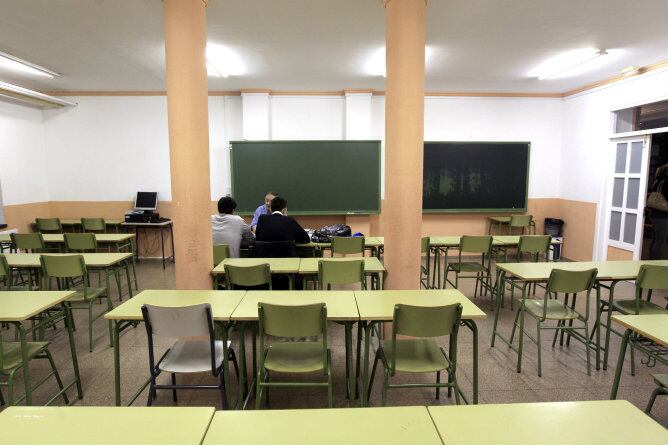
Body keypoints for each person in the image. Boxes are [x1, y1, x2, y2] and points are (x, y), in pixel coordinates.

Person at [649, 164, 668, 259]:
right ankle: (655, 262)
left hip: (654, 215)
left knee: (654, 240)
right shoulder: (666, 182)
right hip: (662, 216)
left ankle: (651, 259)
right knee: (660, 241)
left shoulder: (656, 181)